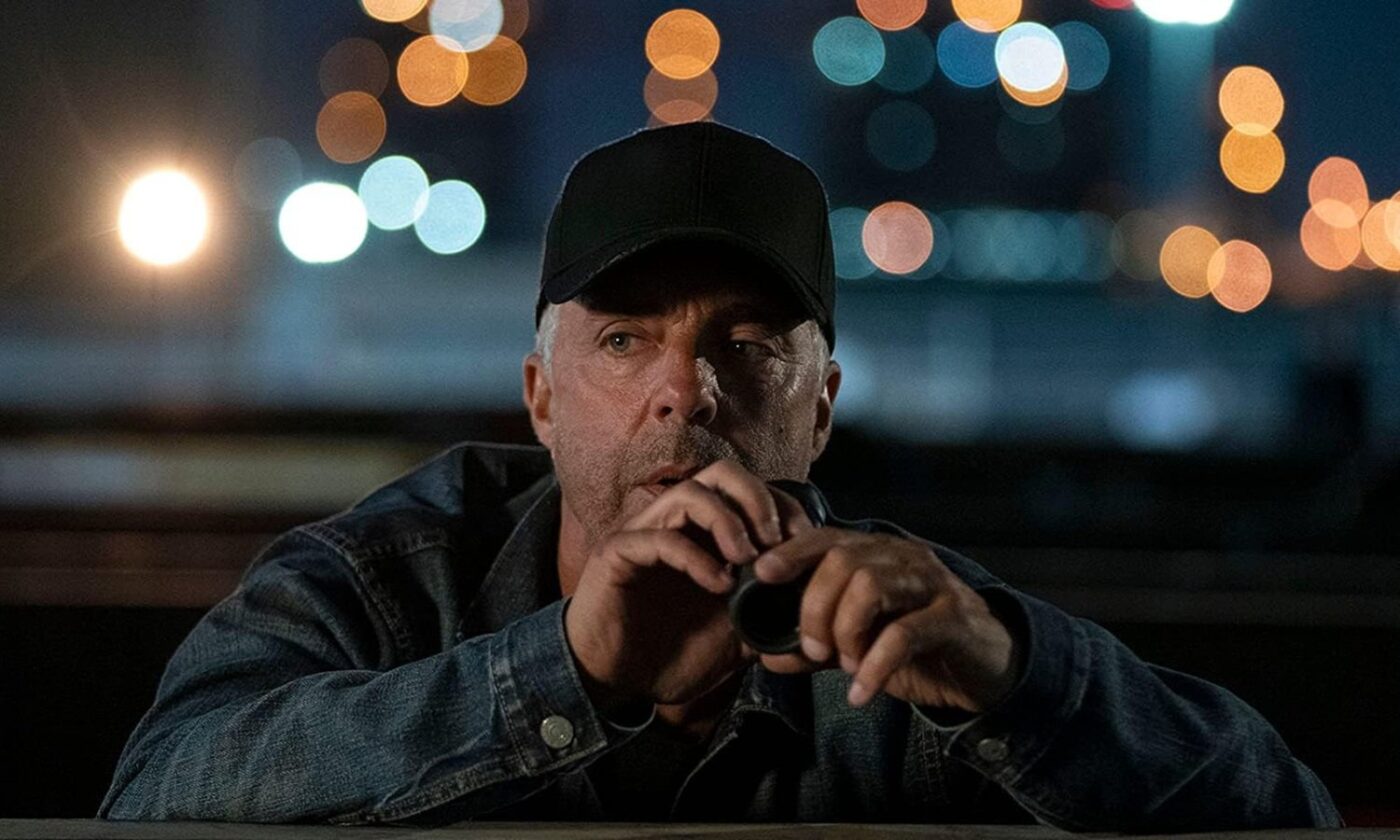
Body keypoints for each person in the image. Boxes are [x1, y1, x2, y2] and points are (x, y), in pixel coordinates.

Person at [101, 122, 1340, 830]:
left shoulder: (902, 631)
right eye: (622, 341)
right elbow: (155, 794)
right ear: (540, 397)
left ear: (818, 411)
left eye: (743, 348)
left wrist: (1014, 681)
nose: (683, 393)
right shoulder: (390, 575)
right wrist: (568, 670)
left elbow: (1284, 816)